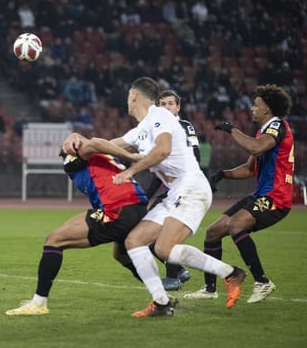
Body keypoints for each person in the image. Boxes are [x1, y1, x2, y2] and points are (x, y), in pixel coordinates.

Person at [64, 77, 246, 317]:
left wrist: (130, 171)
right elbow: (103, 146)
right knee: (134, 241)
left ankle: (231, 273)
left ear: (134, 95)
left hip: (191, 186)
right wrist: (76, 139)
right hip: (175, 192)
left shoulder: (160, 116)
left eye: (128, 96)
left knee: (164, 249)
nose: (126, 101)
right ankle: (161, 302)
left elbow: (163, 150)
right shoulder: (140, 130)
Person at [6, 133, 148, 315]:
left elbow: (94, 142)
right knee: (121, 256)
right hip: (136, 207)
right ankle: (161, 294)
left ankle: (38, 304)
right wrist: (75, 137)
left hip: (117, 210)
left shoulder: (78, 161)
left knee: (54, 240)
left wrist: (131, 156)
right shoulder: (102, 156)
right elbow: (94, 143)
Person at [184, 84, 294, 304]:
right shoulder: (262, 132)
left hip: (276, 197)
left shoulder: (277, 126)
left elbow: (255, 148)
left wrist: (232, 129)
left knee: (235, 224)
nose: (251, 108)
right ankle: (209, 288)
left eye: (256, 105)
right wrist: (222, 174)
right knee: (213, 232)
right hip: (260, 195)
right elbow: (249, 168)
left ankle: (262, 281)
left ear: (267, 109)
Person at [144, 90, 198, 291]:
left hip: (184, 188)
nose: (166, 108)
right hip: (169, 190)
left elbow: (196, 156)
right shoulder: (157, 130)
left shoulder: (184, 127)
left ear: (178, 107)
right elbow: (157, 168)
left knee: (166, 233)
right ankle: (178, 270)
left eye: (170, 104)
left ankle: (173, 277)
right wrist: (145, 197)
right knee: (144, 234)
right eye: (162, 104)